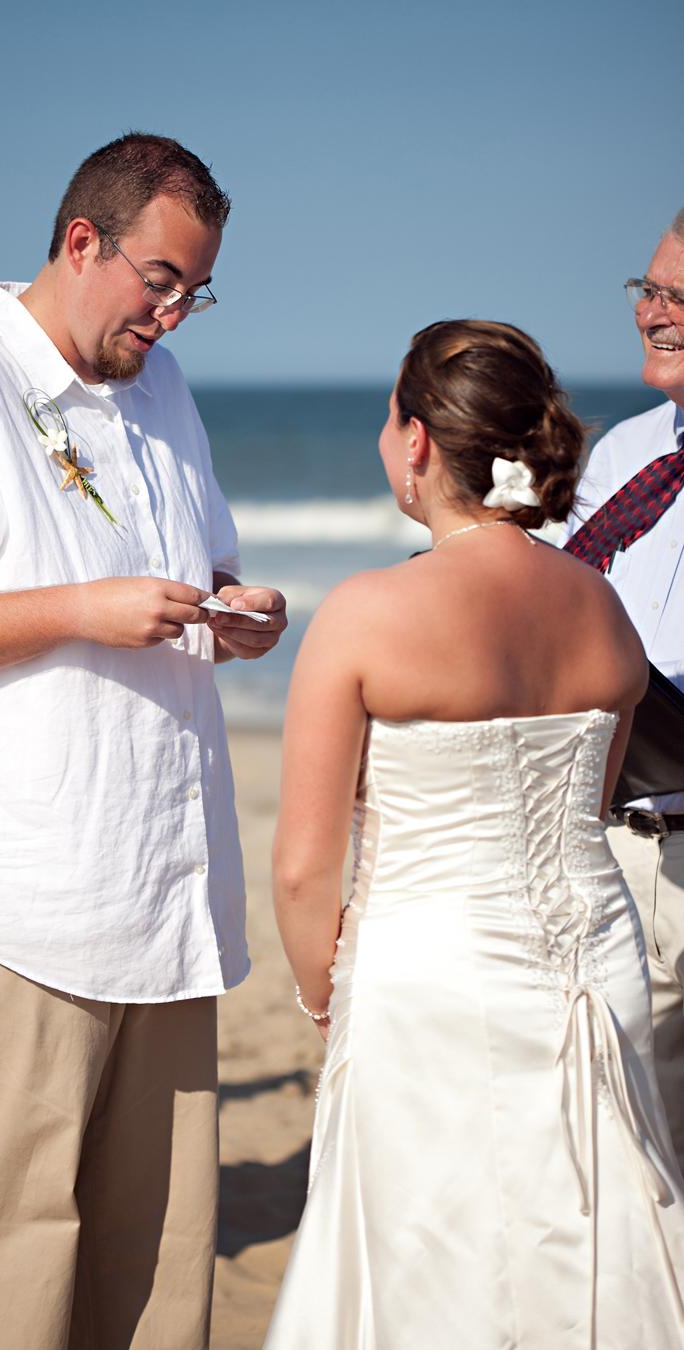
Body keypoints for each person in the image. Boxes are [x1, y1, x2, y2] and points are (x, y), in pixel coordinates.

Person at [0, 133, 287, 1350]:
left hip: (168, 897)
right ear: (82, 241)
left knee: (155, 1270)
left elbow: (196, 559)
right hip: (18, 901)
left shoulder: (166, 392)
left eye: (197, 291)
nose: (176, 315)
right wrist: (83, 610)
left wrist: (237, 604)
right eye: (161, 281)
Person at [265, 320, 684, 1349]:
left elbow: (304, 865)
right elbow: (583, 813)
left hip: (427, 976)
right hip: (591, 957)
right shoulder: (602, 608)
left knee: (431, 1253)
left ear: (416, 442)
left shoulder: (365, 614)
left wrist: (327, 995)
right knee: (584, 1233)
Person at [564, 209, 684, 1172]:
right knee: (629, 1165)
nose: (655, 313)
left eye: (681, 296)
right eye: (650, 288)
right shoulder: (622, 458)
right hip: (617, 850)